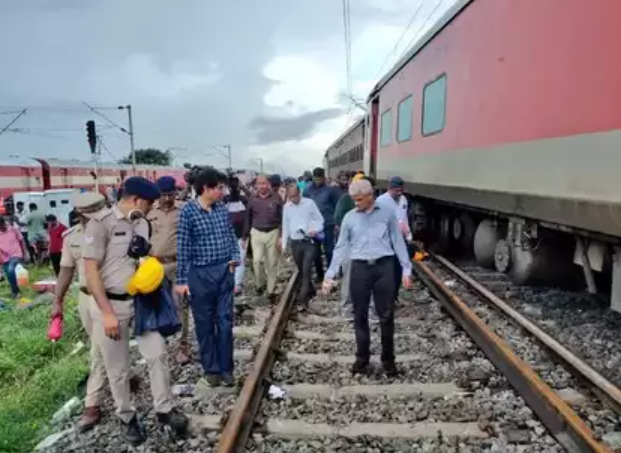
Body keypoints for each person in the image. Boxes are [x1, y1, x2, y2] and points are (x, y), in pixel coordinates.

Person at [83, 176, 188, 445]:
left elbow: (146, 256)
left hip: (140, 303)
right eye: (150, 202)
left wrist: (146, 252)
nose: (153, 207)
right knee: (117, 369)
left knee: (157, 354)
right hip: (111, 306)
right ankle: (127, 417)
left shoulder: (142, 222)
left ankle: (164, 409)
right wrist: (106, 313)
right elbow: (91, 271)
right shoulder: (101, 223)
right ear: (136, 199)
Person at [323, 179, 412, 377]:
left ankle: (388, 361)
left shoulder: (387, 214)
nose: (356, 203)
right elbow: (341, 247)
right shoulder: (349, 218)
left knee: (386, 316)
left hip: (384, 267)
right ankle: (362, 359)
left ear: (370, 196)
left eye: (359, 199)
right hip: (360, 268)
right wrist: (330, 275)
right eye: (354, 199)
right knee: (359, 315)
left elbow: (397, 241)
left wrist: (406, 268)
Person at [176, 167, 240, 388]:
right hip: (200, 276)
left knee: (225, 322)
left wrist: (234, 258)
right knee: (204, 325)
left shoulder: (221, 209)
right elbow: (183, 247)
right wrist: (182, 281)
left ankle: (226, 369)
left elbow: (231, 236)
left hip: (224, 273)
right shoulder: (188, 212)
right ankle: (211, 370)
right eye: (219, 188)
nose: (222, 191)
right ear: (206, 188)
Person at [51, 192, 108, 431]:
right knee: (104, 347)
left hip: (110, 298)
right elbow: (65, 271)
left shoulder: (115, 231)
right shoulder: (71, 237)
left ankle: (91, 404)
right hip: (86, 299)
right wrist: (57, 302)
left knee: (98, 349)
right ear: (80, 214)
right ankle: (122, 376)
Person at [147, 176, 190, 365]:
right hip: (155, 265)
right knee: (158, 306)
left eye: (170, 194)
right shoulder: (148, 213)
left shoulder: (184, 210)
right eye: (163, 195)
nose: (166, 199)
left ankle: (183, 346)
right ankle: (160, 345)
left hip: (179, 264)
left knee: (180, 306)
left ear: (175, 192)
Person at [282, 184, 324, 311]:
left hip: (308, 242)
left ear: (299, 193)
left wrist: (315, 230)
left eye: (295, 196)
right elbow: (285, 226)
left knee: (306, 270)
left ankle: (302, 299)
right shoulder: (287, 207)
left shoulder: (309, 203)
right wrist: (284, 245)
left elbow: (320, 220)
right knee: (301, 270)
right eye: (290, 197)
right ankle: (310, 289)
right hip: (295, 243)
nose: (293, 199)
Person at [243, 174, 283, 302]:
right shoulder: (252, 199)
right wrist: (244, 237)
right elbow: (248, 218)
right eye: (259, 184)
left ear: (268, 184)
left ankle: (270, 290)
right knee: (257, 260)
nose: (262, 186)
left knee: (272, 262)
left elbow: (283, 218)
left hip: (273, 232)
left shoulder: (276, 198)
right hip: (256, 232)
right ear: (256, 185)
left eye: (264, 183)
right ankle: (260, 284)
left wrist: (282, 236)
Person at [376, 176, 412, 302]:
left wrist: (408, 235)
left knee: (398, 269)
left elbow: (404, 218)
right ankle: (385, 296)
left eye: (400, 190)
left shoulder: (403, 200)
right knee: (387, 270)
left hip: (400, 239)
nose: (399, 193)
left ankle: (394, 295)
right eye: (396, 190)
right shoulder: (381, 201)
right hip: (387, 240)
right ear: (389, 189)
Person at [303, 167, 341, 283]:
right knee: (315, 252)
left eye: (320, 179)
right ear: (313, 178)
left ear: (324, 178)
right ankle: (319, 274)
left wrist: (336, 223)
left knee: (329, 250)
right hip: (314, 226)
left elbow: (337, 207)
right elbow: (304, 207)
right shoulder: (307, 190)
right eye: (316, 179)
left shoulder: (331, 190)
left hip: (327, 224)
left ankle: (330, 274)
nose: (318, 181)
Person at [224, 176, 248, 295]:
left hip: (241, 236)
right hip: (227, 236)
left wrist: (244, 236)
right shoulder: (225, 200)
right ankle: (229, 283)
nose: (234, 188)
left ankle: (237, 285)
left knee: (240, 260)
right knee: (228, 261)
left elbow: (247, 218)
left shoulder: (244, 200)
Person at [0, 216, 25, 299]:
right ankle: (15, 291)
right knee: (9, 275)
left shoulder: (13, 229)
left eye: (1, 225)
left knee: (11, 270)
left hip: (16, 254)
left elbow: (21, 240)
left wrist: (26, 253)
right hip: (4, 257)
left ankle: (16, 292)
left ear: (3, 223)